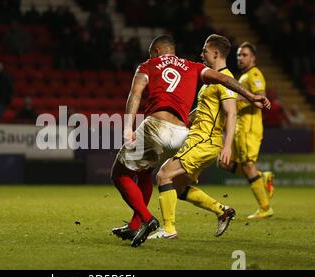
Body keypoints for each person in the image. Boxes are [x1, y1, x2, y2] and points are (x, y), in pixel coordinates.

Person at [111, 34, 269, 247]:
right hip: (182, 134)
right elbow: (222, 82)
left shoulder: (149, 65)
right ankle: (218, 211)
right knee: (167, 181)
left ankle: (155, 223)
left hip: (182, 134)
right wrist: (251, 96)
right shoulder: (192, 67)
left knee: (127, 174)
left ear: (156, 52)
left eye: (205, 50)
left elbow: (135, 94)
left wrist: (128, 127)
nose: (201, 53)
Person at [218, 42, 275, 219]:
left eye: (244, 55)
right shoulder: (243, 77)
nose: (240, 58)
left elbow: (262, 98)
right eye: (238, 55)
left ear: (253, 58)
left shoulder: (255, 74)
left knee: (248, 165)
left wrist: (235, 100)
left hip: (249, 128)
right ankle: (261, 177)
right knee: (224, 163)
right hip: (239, 128)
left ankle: (265, 208)